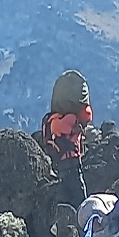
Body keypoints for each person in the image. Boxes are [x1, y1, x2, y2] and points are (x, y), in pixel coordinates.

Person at [41, 69, 93, 209]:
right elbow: (87, 117)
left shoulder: (51, 120)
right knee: (78, 194)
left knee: (65, 195)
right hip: (71, 163)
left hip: (57, 163)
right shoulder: (70, 119)